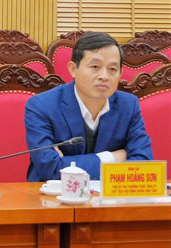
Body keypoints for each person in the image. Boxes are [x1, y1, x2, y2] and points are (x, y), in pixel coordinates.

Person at [25, 31, 153, 181]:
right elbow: (51, 168)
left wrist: (66, 163)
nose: (104, 76)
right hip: (54, 194)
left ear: (120, 74)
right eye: (95, 66)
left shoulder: (128, 105)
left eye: (112, 69)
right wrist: (113, 158)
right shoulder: (42, 106)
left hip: (110, 195)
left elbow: (143, 165)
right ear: (73, 69)